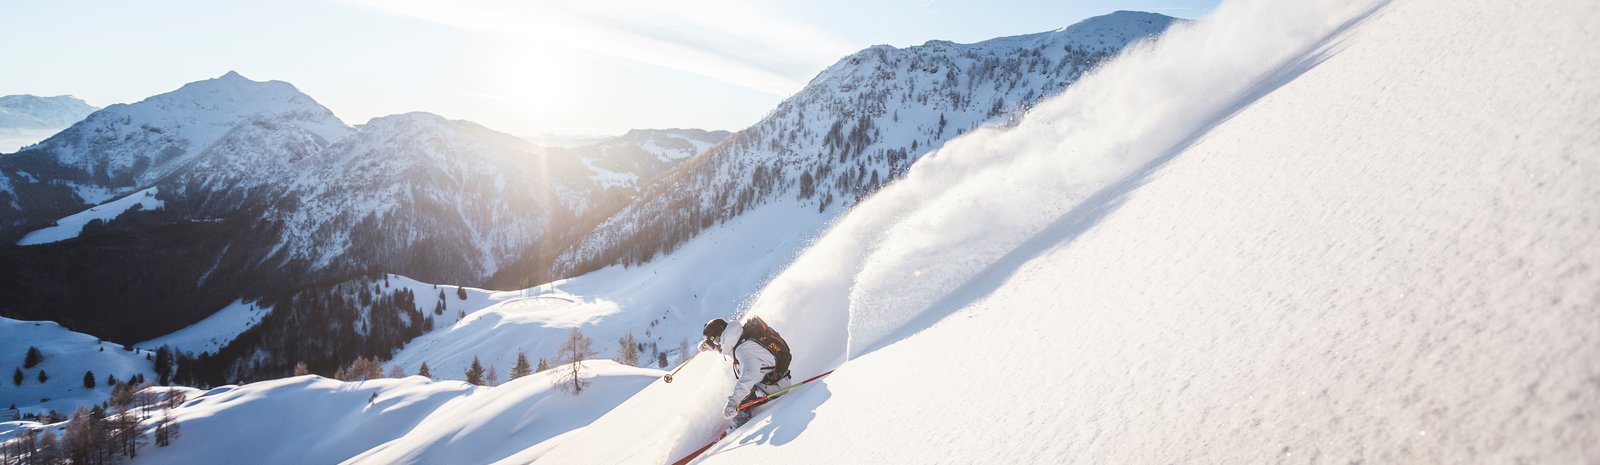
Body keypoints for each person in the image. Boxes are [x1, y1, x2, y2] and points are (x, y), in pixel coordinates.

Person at [701, 316, 792, 428]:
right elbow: (734, 352)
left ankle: (738, 428)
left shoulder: (744, 350)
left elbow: (749, 376)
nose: (714, 349)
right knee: (740, 390)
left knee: (741, 401)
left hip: (775, 388)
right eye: (710, 347)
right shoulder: (737, 338)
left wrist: (733, 402)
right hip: (769, 380)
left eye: (712, 345)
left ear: (718, 339)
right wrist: (706, 345)